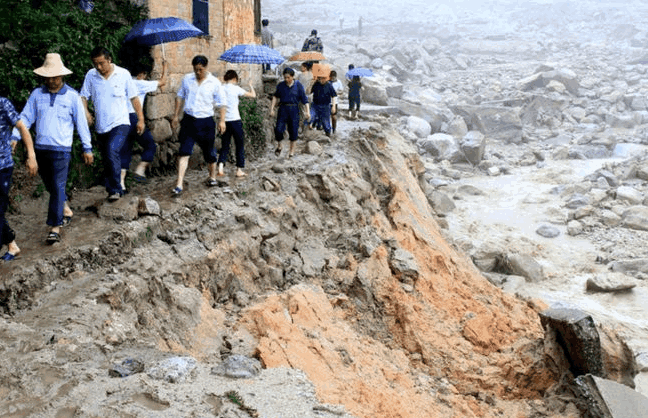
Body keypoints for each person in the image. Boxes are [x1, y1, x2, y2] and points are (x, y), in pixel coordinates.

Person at [14, 53, 94, 245]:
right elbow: (25, 118)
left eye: (55, 77)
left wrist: (87, 147)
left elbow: (81, 124)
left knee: (58, 187)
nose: (51, 81)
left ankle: (54, 228)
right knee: (51, 187)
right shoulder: (36, 95)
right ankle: (65, 209)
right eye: (48, 77)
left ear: (62, 76)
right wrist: (15, 136)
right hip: (41, 149)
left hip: (62, 150)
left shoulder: (73, 97)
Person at [81, 46, 144, 202]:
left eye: (102, 63)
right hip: (101, 125)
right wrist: (86, 112)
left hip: (121, 122)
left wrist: (141, 119)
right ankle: (112, 190)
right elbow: (83, 97)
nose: (99, 67)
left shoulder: (123, 74)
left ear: (109, 60)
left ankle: (117, 189)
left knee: (112, 150)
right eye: (96, 64)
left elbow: (134, 98)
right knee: (106, 157)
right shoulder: (91, 75)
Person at [170, 55, 227, 196]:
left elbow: (222, 103)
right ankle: (179, 184)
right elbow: (179, 96)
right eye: (195, 69)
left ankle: (212, 176)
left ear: (206, 68)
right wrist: (176, 115)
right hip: (189, 120)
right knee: (184, 152)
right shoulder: (187, 79)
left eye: (200, 70)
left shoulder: (214, 82)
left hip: (206, 121)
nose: (197, 72)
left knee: (209, 152)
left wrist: (222, 120)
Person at [120, 60, 168, 190]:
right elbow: (162, 82)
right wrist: (165, 67)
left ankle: (121, 184)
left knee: (125, 150)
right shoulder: (140, 83)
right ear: (141, 74)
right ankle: (140, 170)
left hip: (122, 119)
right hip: (134, 117)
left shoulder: (123, 82)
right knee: (150, 145)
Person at [0, 95, 37, 261]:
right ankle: (12, 244)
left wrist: (31, 155)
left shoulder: (2, 104)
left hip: (2, 166)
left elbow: (22, 127)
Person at [217, 70, 256, 178]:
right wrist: (250, 85)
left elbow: (219, 105)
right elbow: (253, 95)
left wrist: (221, 120)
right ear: (234, 79)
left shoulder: (221, 88)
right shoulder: (236, 89)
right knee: (239, 145)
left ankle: (220, 168)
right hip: (236, 120)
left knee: (225, 145)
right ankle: (239, 170)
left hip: (224, 121)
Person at [269, 68, 310, 158]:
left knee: (293, 131)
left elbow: (305, 99)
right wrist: (272, 109)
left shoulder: (298, 85)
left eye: (288, 77)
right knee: (278, 129)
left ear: (292, 77)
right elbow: (275, 97)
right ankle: (280, 146)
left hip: (294, 109)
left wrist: (308, 111)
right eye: (285, 78)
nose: (286, 79)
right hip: (283, 108)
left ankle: (291, 152)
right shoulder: (281, 85)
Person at [307, 71, 337, 137]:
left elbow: (334, 96)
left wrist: (333, 106)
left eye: (324, 78)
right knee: (310, 117)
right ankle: (306, 132)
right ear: (319, 78)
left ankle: (328, 134)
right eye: (321, 78)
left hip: (325, 106)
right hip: (315, 105)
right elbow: (308, 92)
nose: (323, 80)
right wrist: (311, 84)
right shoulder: (316, 84)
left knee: (326, 123)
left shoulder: (329, 85)